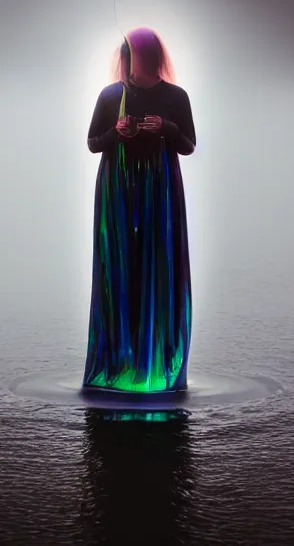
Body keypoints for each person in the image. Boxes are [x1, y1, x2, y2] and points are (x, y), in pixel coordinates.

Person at [82, 26, 196, 394]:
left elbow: (189, 145)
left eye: (135, 55)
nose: (129, 63)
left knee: (158, 266)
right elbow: (92, 143)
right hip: (117, 189)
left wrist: (166, 127)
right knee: (119, 269)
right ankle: (116, 365)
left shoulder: (175, 96)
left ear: (150, 57)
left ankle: (157, 367)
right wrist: (117, 132)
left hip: (159, 191)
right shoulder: (110, 95)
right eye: (125, 55)